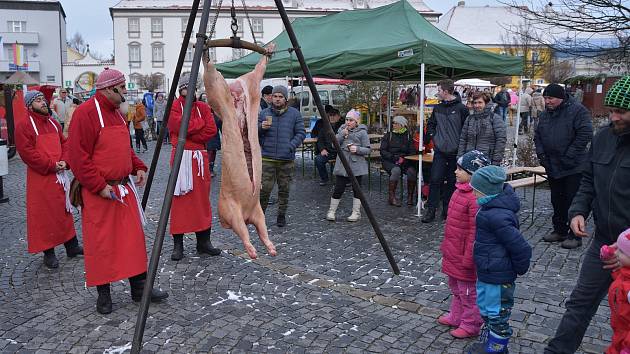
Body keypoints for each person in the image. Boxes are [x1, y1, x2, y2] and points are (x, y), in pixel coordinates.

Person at [67, 68, 168, 314]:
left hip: (123, 189)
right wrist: (99, 186)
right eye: (122, 87)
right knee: (101, 244)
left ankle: (139, 288)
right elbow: (78, 157)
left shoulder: (117, 114)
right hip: (100, 192)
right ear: (108, 89)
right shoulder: (85, 113)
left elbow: (125, 147)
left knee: (132, 241)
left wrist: (137, 166)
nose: (125, 91)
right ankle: (104, 294)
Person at [544, 75, 630, 353]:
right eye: (611, 111)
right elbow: (588, 180)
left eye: (621, 112)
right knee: (580, 302)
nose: (613, 117)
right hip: (604, 243)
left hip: (628, 247)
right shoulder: (604, 137)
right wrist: (578, 210)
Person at [467, 165, 532, 353]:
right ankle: (490, 343)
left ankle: (496, 349)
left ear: (486, 192)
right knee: (487, 312)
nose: (474, 194)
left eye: (476, 191)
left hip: (498, 277)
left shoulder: (496, 216)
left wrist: (517, 268)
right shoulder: (488, 210)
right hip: (487, 272)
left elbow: (521, 247)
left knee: (497, 315)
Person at [15, 90, 83, 269]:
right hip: (41, 178)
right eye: (38, 101)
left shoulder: (53, 123)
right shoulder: (23, 126)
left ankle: (72, 246)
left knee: (65, 211)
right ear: (30, 106)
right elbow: (27, 153)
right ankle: (49, 252)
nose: (43, 102)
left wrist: (65, 161)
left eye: (43, 100)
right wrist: (51, 165)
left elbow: (65, 144)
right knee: (45, 214)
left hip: (60, 175)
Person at [438, 150, 490, 339]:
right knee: (455, 287)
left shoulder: (474, 198)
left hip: (465, 256)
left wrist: (470, 256)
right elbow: (453, 225)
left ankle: (471, 323)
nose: (455, 171)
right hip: (454, 252)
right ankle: (456, 315)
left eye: (460, 169)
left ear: (474, 174)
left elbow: (474, 232)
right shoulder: (459, 190)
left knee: (468, 292)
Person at [534, 83, 593, 249]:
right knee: (557, 200)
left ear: (560, 97)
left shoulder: (578, 111)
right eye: (545, 98)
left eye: (550, 98)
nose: (547, 102)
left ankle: (575, 235)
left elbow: (585, 134)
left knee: (573, 200)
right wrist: (542, 155)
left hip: (573, 166)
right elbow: (538, 135)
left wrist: (569, 156)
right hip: (552, 165)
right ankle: (559, 230)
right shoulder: (546, 114)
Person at [168, 76, 220, 261]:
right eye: (185, 88)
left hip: (198, 158)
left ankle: (203, 242)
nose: (189, 91)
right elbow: (175, 125)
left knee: (201, 201)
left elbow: (211, 130)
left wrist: (188, 133)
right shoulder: (175, 106)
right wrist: (197, 126)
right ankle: (178, 244)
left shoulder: (204, 108)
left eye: (192, 88)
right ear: (180, 90)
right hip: (181, 158)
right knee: (179, 200)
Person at [258, 85, 306, 227]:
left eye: (280, 97)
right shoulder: (264, 113)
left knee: (284, 189)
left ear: (285, 99)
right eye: (275, 96)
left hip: (286, 159)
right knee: (264, 190)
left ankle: (281, 215)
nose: (277, 99)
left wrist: (290, 146)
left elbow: (301, 133)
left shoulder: (294, 114)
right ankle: (260, 217)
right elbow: (254, 131)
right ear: (271, 97)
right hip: (267, 158)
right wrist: (261, 128)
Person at [423, 79, 469, 223]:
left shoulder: (462, 108)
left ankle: (447, 211)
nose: (437, 93)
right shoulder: (437, 108)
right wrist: (433, 137)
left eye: (439, 90)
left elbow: (466, 130)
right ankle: (431, 210)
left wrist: (462, 146)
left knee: (451, 182)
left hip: (455, 152)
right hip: (440, 151)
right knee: (435, 179)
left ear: (446, 91)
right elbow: (431, 124)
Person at [325, 109, 370, 222]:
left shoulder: (362, 132)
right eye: (347, 119)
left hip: (356, 164)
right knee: (339, 187)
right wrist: (341, 135)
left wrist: (358, 149)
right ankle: (332, 211)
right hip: (342, 163)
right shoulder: (341, 129)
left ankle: (356, 212)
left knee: (357, 189)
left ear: (356, 122)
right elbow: (333, 145)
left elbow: (368, 149)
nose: (348, 122)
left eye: (351, 120)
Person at [458, 92, 507, 166]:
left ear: (486, 103)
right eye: (475, 103)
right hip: (470, 159)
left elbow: (501, 141)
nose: (477, 105)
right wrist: (460, 157)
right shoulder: (469, 119)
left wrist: (496, 161)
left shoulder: (494, 118)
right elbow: (463, 139)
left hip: (487, 159)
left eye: (480, 102)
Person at [380, 115, 418, 206]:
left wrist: (404, 158)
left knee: (412, 172)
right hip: (389, 161)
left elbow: (412, 151)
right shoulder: (388, 135)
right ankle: (391, 197)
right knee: (396, 170)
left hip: (404, 161)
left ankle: (410, 197)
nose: (394, 125)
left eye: (396, 123)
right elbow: (383, 151)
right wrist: (395, 158)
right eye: (393, 123)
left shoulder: (408, 136)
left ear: (402, 125)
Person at [603, 228, 630, 354]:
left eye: (622, 251)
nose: (617, 253)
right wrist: (608, 254)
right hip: (620, 332)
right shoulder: (625, 272)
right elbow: (618, 276)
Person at [313, 107, 343, 186]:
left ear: (339, 117)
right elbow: (320, 140)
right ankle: (324, 178)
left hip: (341, 152)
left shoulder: (343, 127)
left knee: (348, 159)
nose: (332, 117)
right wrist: (322, 149)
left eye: (334, 115)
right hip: (328, 151)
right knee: (318, 159)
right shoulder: (324, 127)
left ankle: (344, 179)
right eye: (330, 115)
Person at [206, 108, 222, 177]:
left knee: (213, 153)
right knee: (210, 153)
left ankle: (210, 169)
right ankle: (208, 170)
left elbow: (221, 126)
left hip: (214, 137)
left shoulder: (218, 115)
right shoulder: (207, 114)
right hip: (208, 137)